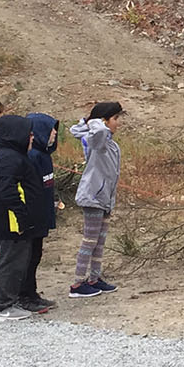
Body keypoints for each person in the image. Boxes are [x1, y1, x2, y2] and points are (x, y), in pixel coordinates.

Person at [0, 114, 48, 322]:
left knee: (19, 260)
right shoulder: (9, 158)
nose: (32, 137)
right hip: (13, 220)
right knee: (11, 261)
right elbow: (7, 191)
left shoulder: (16, 155)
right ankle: (3, 306)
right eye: (28, 133)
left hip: (21, 219)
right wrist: (21, 217)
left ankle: (10, 300)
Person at [69, 102, 124, 298]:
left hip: (104, 198)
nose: (118, 123)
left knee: (99, 242)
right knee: (89, 241)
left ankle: (94, 278)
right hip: (92, 197)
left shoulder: (109, 143)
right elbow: (93, 131)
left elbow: (77, 129)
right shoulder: (97, 139)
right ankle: (77, 283)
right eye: (115, 119)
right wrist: (94, 120)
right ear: (104, 121)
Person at [24, 113, 62, 308]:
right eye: (50, 128)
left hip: (42, 213)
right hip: (32, 215)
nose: (54, 132)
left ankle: (32, 292)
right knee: (29, 257)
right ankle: (25, 295)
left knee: (36, 254)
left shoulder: (45, 155)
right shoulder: (32, 156)